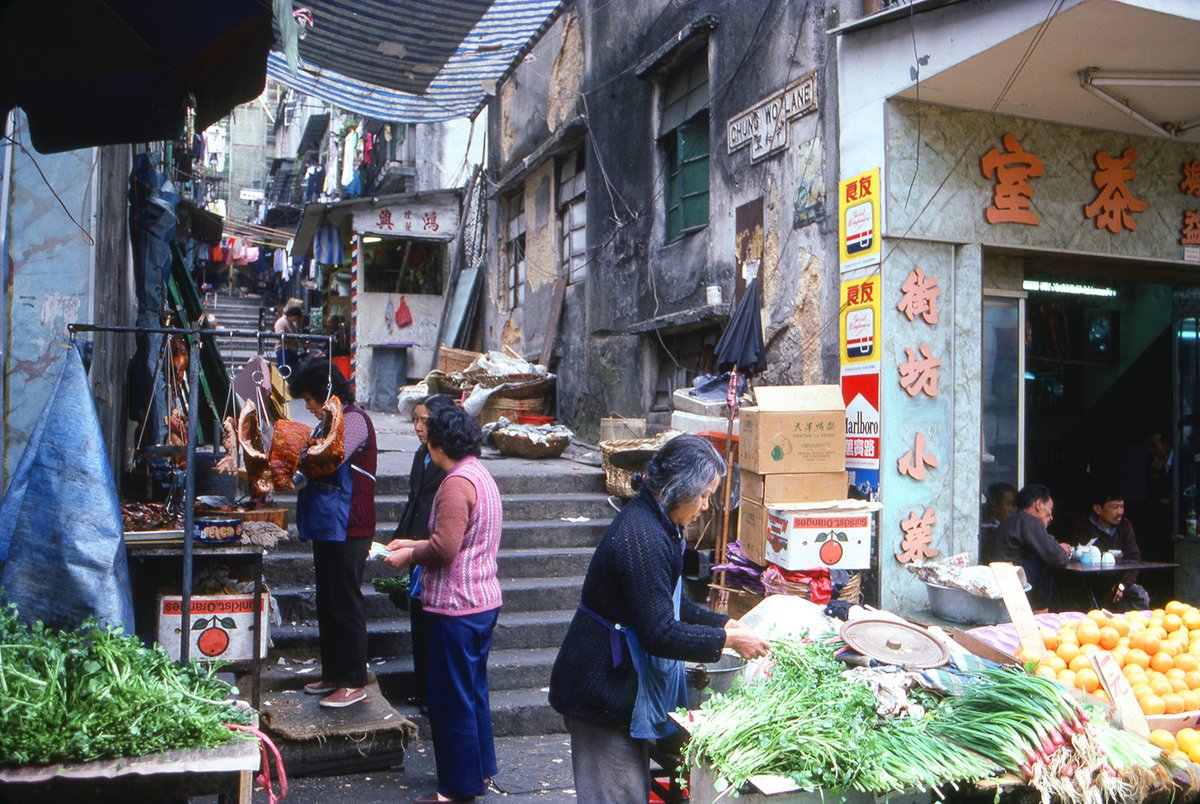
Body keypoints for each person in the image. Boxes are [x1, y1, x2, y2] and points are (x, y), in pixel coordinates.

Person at [548, 434, 770, 802]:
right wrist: (728, 641)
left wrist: (724, 624)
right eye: (702, 495)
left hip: (620, 686)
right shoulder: (642, 536)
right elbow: (660, 632)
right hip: (600, 687)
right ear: (676, 489)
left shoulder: (663, 525)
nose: (705, 505)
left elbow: (675, 606)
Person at [383, 406, 503, 803]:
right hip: (480, 600)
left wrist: (410, 556)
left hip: (457, 606)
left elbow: (446, 548)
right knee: (472, 692)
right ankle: (480, 771)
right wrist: (411, 543)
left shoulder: (455, 483)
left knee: (451, 700)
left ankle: (457, 788)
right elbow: (458, 540)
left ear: (439, 444)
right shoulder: (480, 474)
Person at [290, 358, 377, 709]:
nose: (308, 407)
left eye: (310, 399)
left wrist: (293, 458)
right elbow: (304, 470)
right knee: (327, 601)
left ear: (327, 393)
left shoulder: (354, 421)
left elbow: (330, 458)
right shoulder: (322, 426)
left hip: (351, 526)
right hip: (326, 525)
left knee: (345, 601)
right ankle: (332, 673)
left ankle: (353, 680)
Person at [394, 393, 456, 709]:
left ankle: (435, 694)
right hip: (416, 545)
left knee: (433, 625)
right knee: (418, 622)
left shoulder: (450, 463)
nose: (418, 426)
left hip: (434, 548)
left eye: (424, 421)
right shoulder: (422, 454)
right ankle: (423, 689)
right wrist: (400, 537)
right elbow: (414, 499)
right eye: (415, 420)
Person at [990, 483, 1071, 611]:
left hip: (1006, 589)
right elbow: (1057, 558)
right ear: (1039, 504)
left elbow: (1046, 544)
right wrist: (1062, 550)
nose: (1051, 517)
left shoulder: (1011, 522)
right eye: (1050, 509)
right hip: (1023, 597)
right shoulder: (1029, 521)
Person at [1068, 490, 1151, 610]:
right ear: (1098, 509)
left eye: (1122, 507)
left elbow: (1134, 559)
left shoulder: (1125, 526)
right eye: (1115, 507)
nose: (1120, 512)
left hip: (1120, 584)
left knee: (1139, 596)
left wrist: (1122, 585)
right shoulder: (1083, 527)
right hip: (1091, 584)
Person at [979, 481, 1017, 562]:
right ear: (993, 506)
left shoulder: (1013, 528)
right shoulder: (986, 530)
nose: (1012, 510)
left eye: (1013, 505)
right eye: (1008, 504)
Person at [274, 306, 303, 375]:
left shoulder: (293, 324)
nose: (296, 319)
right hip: (283, 349)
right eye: (295, 317)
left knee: (294, 372)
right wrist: (292, 339)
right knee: (284, 371)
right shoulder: (281, 322)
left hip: (293, 351)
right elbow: (280, 335)